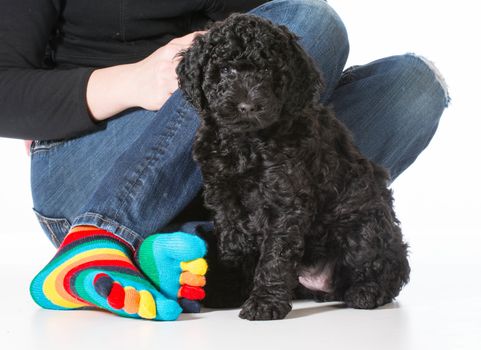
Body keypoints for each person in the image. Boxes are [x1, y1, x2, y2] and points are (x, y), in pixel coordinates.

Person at [0, 0, 449, 321]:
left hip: (241, 175)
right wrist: (132, 82)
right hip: (93, 166)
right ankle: (100, 239)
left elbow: (279, 74)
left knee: (413, 85)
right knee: (314, 20)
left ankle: (198, 256)